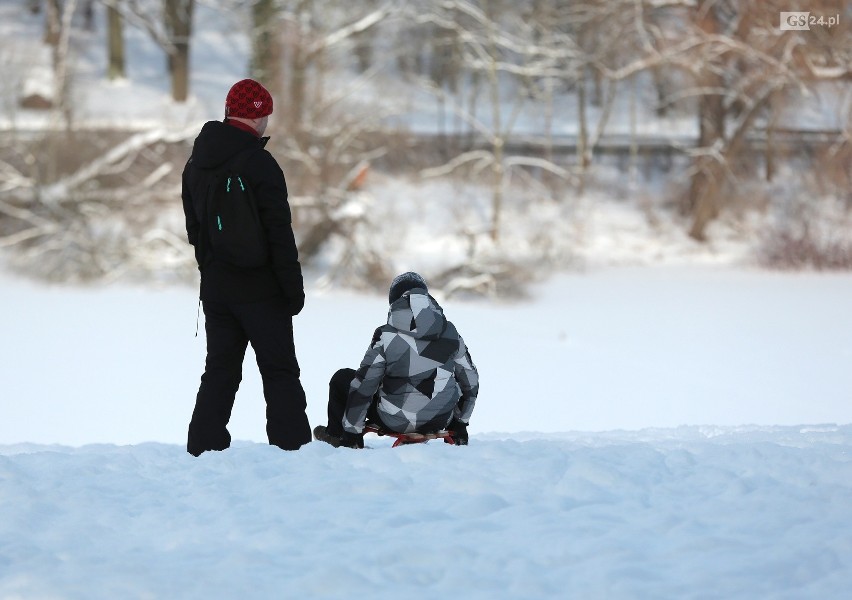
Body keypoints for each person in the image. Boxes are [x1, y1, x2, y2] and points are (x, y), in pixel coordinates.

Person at [182, 79, 310, 456]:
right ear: (259, 115)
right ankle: (293, 451)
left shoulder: (196, 161)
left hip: (217, 290)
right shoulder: (259, 163)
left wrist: (213, 273)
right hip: (261, 290)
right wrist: (292, 289)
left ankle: (202, 448)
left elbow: (195, 229)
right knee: (280, 372)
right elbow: (278, 234)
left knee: (220, 371)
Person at [314, 272, 479, 448]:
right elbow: (471, 380)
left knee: (342, 379)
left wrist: (352, 432)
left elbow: (365, 384)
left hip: (395, 419)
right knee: (451, 381)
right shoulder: (451, 332)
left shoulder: (386, 335)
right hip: (440, 419)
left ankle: (337, 436)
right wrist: (460, 423)